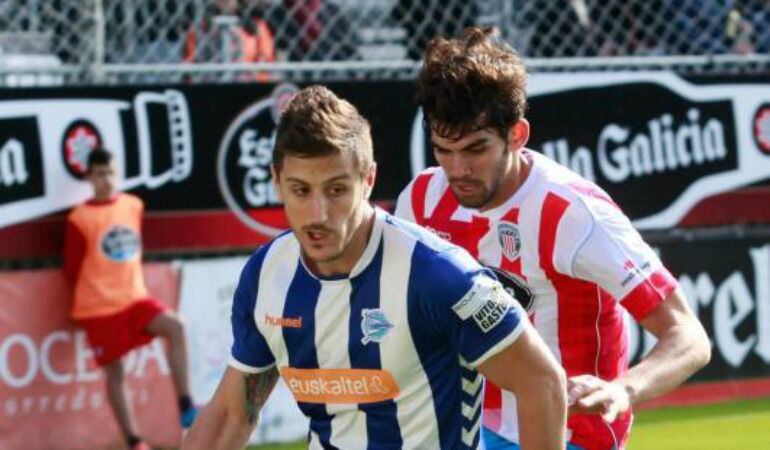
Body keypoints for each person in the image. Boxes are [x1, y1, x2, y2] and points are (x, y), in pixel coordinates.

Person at [182, 86, 567, 449]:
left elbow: (542, 382)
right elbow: (231, 415)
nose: (318, 215)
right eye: (301, 190)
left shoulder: (437, 274)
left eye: (336, 190)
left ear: (367, 180)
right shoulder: (266, 274)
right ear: (277, 183)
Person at [394, 27, 711, 450]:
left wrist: (622, 390)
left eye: (476, 149)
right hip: (470, 427)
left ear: (517, 135)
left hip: (573, 432)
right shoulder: (421, 200)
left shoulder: (572, 213)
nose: (458, 170)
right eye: (443, 150)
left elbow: (688, 336)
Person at [63, 149, 198, 450]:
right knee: (116, 372)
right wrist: (84, 305)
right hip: (99, 307)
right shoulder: (79, 218)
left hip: (135, 299)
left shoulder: (132, 205)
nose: (106, 180)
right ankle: (134, 441)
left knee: (176, 327)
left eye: (111, 173)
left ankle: (186, 405)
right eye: (100, 174)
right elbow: (72, 270)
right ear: (89, 177)